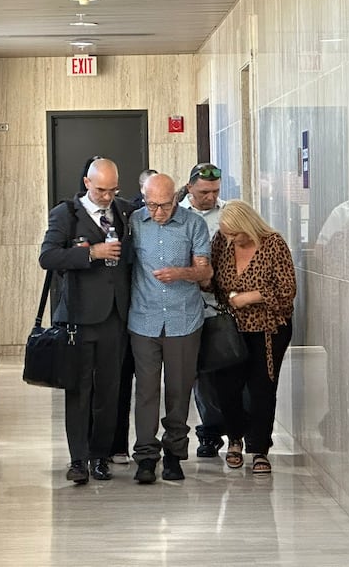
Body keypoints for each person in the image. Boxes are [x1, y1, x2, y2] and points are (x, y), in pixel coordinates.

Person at [39, 158, 134, 485]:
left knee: (110, 391)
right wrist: (90, 254)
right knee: (79, 391)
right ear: (87, 183)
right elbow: (47, 257)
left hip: (114, 316)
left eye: (113, 189)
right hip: (78, 317)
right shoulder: (66, 214)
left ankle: (100, 456)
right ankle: (78, 459)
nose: (107, 196)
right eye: (101, 189)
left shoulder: (123, 211)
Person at [128, 173, 212, 483]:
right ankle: (146, 456)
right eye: (151, 205)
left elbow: (206, 271)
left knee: (178, 391)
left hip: (184, 320)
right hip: (144, 319)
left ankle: (174, 454)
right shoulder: (135, 222)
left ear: (176, 198)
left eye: (164, 205)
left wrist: (182, 272)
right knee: (147, 391)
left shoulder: (194, 224)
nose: (158, 212)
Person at [205, 200, 296, 474]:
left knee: (262, 389)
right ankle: (234, 440)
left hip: (268, 329)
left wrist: (249, 298)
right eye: (227, 234)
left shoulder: (273, 244)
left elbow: (287, 290)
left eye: (236, 234)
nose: (231, 239)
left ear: (248, 226)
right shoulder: (221, 243)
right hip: (230, 330)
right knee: (226, 388)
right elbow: (212, 281)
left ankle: (259, 448)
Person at [178, 163, 229, 459]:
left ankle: (229, 429)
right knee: (199, 374)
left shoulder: (227, 213)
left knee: (223, 368)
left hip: (219, 305)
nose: (210, 197)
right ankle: (208, 433)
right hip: (186, 304)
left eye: (215, 191)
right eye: (204, 192)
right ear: (190, 188)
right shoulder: (178, 214)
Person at [109, 167, 158, 465]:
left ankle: (122, 446)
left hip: (138, 311)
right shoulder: (133, 219)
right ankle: (104, 447)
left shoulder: (128, 215)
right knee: (111, 383)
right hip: (113, 313)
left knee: (131, 383)